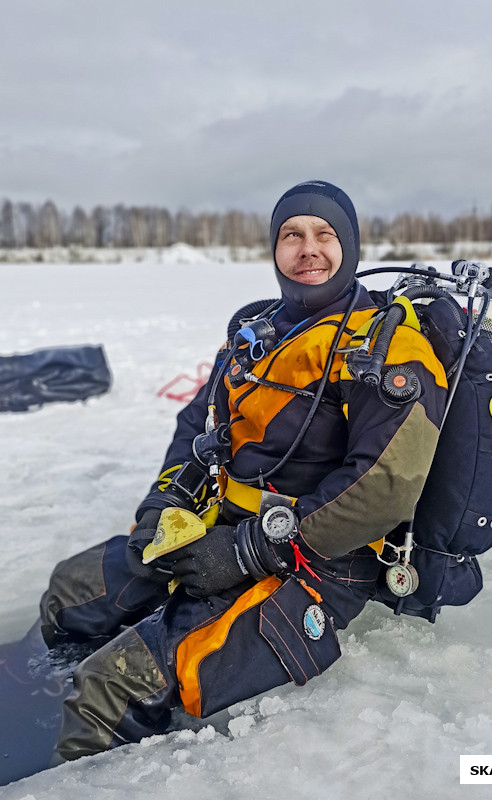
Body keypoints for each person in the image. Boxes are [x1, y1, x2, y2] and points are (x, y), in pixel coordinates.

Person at [40, 180, 448, 760]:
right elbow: (197, 424)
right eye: (292, 235)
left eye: (325, 235)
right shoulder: (257, 333)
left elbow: (386, 486)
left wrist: (250, 552)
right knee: (70, 591)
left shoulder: (387, 347)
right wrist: (164, 502)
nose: (308, 249)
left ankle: (91, 754)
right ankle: (55, 695)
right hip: (219, 525)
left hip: (318, 563)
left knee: (110, 689)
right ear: (275, 250)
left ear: (350, 246)